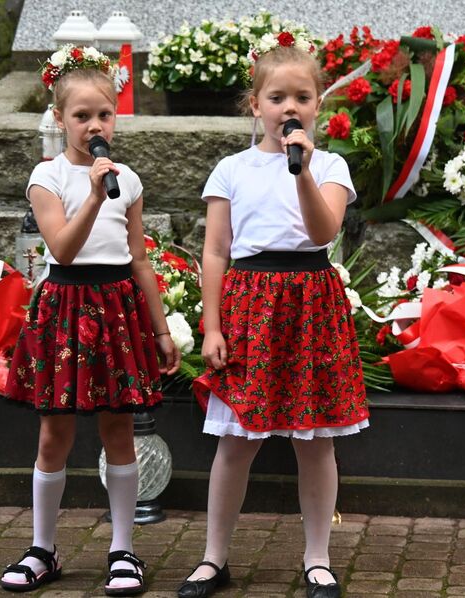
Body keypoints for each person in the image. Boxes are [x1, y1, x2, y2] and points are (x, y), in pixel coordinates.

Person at [177, 32, 369, 598]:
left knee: (315, 441)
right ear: (255, 104)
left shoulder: (329, 166)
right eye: (278, 97)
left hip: (311, 301)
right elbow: (216, 251)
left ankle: (317, 557)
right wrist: (212, 326)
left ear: (318, 106)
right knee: (236, 441)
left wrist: (303, 171)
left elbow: (323, 231)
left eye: (303, 98)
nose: (291, 108)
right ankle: (215, 558)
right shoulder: (231, 169)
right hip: (252, 306)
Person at [0, 45, 180, 597]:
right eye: (81, 116)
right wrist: (96, 196)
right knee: (54, 432)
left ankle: (123, 551)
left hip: (118, 308)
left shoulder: (128, 178)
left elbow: (139, 257)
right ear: (60, 120)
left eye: (104, 114)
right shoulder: (47, 175)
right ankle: (43, 549)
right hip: (67, 306)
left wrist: (161, 328)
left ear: (116, 117)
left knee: (119, 426)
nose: (94, 125)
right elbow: (62, 246)